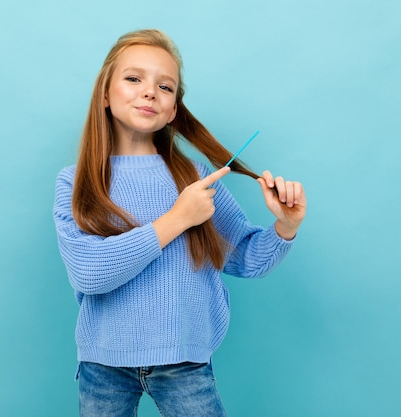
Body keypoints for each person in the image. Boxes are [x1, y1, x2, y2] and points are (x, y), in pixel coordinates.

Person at [53, 29, 307, 417]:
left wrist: (285, 226)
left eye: (165, 86)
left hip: (185, 360)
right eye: (133, 79)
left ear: (173, 110)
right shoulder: (76, 181)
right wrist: (178, 218)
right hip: (103, 364)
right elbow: (89, 273)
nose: (150, 91)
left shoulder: (196, 176)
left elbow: (245, 259)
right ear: (105, 93)